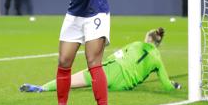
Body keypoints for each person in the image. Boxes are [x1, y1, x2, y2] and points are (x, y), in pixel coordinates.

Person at [20, 28, 181, 93]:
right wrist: (175, 86)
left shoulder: (137, 44)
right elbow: (166, 84)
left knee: (74, 79)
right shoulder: (158, 60)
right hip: (124, 86)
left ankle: (42, 88)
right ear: (158, 43)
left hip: (113, 70)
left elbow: (116, 55)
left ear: (147, 37)